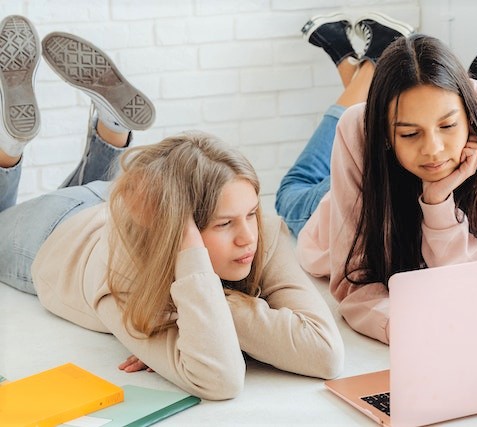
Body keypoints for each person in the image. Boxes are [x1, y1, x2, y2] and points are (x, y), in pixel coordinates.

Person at [0, 15, 343, 400]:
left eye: (250, 213)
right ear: (183, 231)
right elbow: (220, 379)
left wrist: (199, 314)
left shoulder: (257, 229)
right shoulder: (128, 274)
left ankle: (109, 128)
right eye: (225, 223)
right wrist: (198, 317)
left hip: (115, 196)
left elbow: (325, 355)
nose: (249, 236)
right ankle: (9, 147)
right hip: (55, 230)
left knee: (100, 188)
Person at [276, 13, 477, 344]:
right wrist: (411, 330)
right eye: (410, 133)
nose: (434, 150)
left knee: (368, 116)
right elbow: (354, 286)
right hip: (358, 188)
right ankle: (369, 71)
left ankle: (368, 70)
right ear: (388, 135)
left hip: (392, 155)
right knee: (289, 193)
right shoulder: (360, 133)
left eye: (447, 126)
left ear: (469, 118)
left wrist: (438, 201)